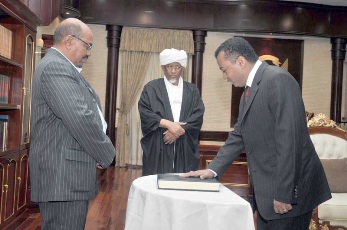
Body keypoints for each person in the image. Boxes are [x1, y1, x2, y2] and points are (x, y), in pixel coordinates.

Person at [182, 37, 331, 230]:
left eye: (224, 69)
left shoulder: (278, 80)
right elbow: (239, 134)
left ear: (241, 62)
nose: (225, 76)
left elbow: (290, 141)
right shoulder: (248, 93)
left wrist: (284, 193)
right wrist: (213, 169)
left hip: (289, 194)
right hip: (267, 190)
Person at [29, 18, 116, 230]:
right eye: (88, 45)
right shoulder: (55, 68)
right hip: (63, 178)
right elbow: (80, 117)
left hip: (67, 177)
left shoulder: (61, 67)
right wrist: (106, 153)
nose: (89, 52)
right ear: (69, 41)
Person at [138, 48, 205, 176]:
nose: (173, 71)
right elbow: (145, 112)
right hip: (160, 140)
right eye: (169, 66)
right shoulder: (151, 88)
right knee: (156, 182)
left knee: (183, 183)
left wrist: (177, 130)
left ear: (182, 68)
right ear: (163, 67)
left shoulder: (192, 90)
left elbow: (198, 114)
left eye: (177, 67)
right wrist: (169, 125)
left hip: (184, 140)